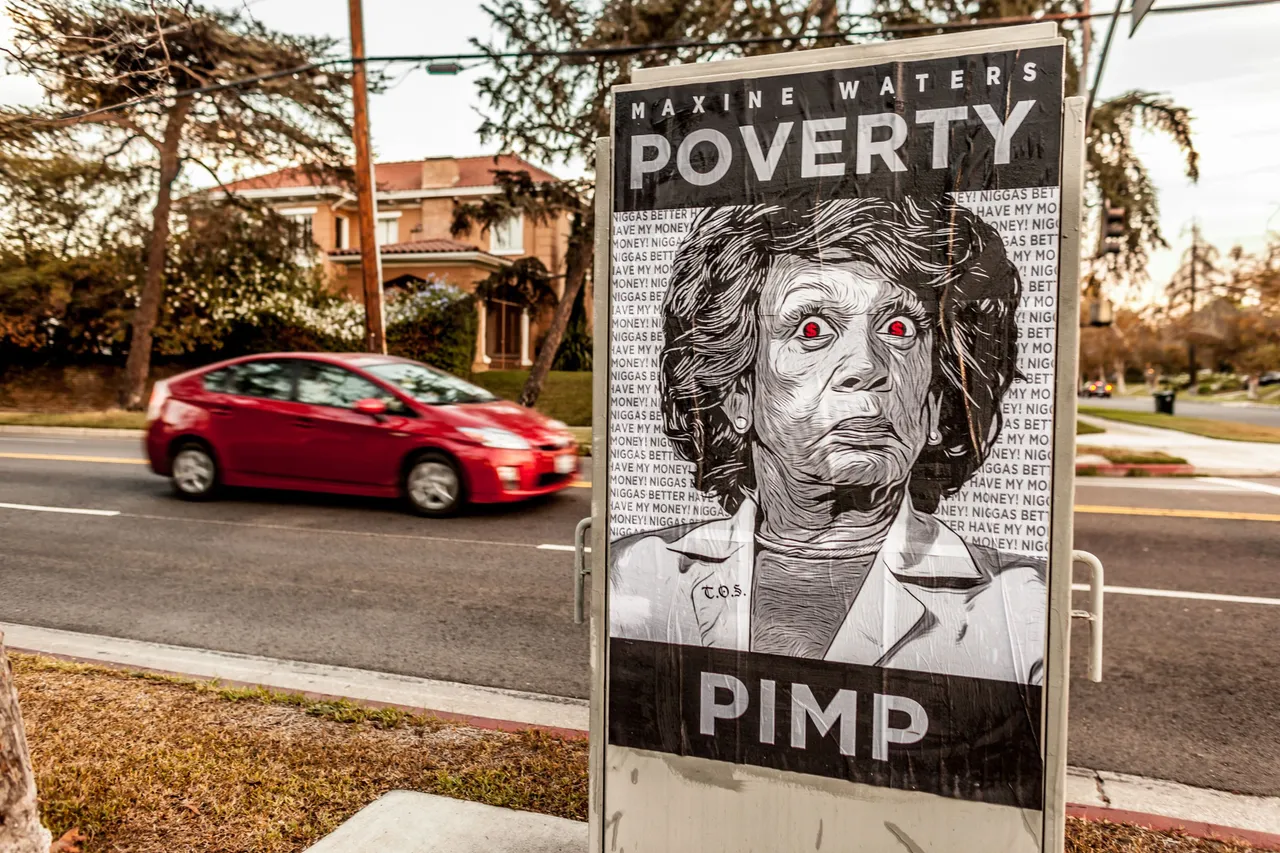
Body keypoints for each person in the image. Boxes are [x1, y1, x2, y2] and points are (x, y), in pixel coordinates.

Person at [610, 197, 1046, 685]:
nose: (865, 367)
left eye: (899, 329)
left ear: (935, 404)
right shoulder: (639, 572)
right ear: (737, 392)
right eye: (813, 329)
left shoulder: (1018, 605)